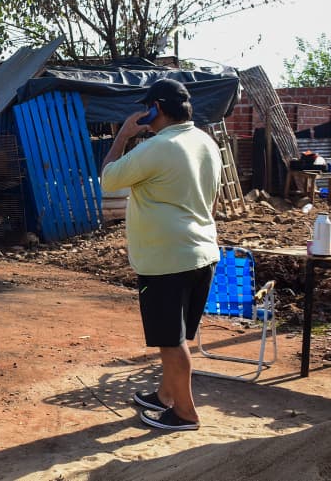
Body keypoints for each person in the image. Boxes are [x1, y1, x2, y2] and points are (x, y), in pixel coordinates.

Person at [100, 78, 221, 432]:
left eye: (147, 109)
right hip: (202, 252)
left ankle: (184, 412)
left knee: (170, 341)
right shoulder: (206, 142)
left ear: (157, 109)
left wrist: (122, 136)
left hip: (166, 259)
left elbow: (109, 179)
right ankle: (165, 394)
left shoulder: (158, 147)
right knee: (177, 336)